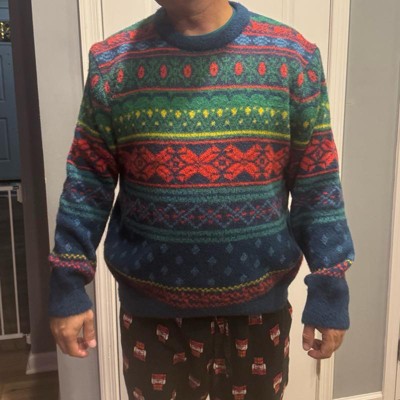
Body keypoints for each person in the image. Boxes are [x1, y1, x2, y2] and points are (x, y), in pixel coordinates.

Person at [49, 1, 355, 399]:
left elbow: (317, 184)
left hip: (259, 317)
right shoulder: (113, 64)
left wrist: (329, 287)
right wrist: (68, 284)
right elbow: (87, 182)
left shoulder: (292, 59)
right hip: (151, 320)